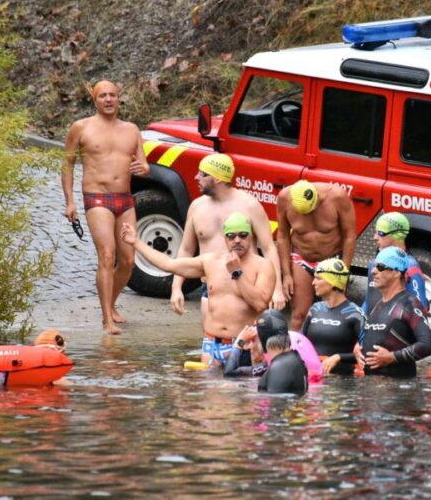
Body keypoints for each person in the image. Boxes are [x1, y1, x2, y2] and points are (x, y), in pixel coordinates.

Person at [121, 212, 275, 366]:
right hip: (212, 343)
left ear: (251, 236)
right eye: (231, 236)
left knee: (243, 389)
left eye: (242, 235)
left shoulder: (263, 266)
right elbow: (169, 264)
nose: (237, 240)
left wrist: (237, 273)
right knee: (208, 389)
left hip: (246, 344)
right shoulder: (211, 262)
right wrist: (136, 242)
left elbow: (260, 303)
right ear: (224, 238)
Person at [61, 80, 150, 335]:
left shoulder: (131, 129)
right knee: (107, 255)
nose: (108, 100)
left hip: (124, 198)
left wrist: (144, 168)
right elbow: (67, 165)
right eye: (103, 96)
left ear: (119, 98)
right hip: (97, 197)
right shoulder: (81, 128)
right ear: (95, 99)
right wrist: (70, 201)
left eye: (113, 95)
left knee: (128, 260)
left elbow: (143, 164)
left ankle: (110, 304)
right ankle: (106, 320)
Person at [170, 153, 285, 321]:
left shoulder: (249, 205)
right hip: (210, 285)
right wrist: (176, 287)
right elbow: (186, 249)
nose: (196, 177)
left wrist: (277, 289)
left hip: (246, 284)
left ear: (217, 178)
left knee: (246, 340)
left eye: (202, 174)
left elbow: (268, 248)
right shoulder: (196, 206)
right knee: (211, 338)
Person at [276, 180, 356, 330]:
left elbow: (349, 236)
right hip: (302, 257)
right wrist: (286, 274)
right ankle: (295, 352)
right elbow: (283, 236)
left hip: (331, 259)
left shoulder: (337, 197)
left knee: (332, 316)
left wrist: (343, 272)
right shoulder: (284, 198)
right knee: (299, 315)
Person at [356, 246, 431, 377]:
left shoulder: (410, 304)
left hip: (398, 391)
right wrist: (357, 350)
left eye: (380, 267)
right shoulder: (379, 305)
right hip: (372, 389)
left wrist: (392, 357)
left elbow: (427, 345)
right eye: (374, 267)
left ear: (397, 272)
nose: (374, 272)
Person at [301, 258, 365, 375]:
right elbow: (300, 342)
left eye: (318, 278)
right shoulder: (315, 309)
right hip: (314, 377)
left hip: (342, 382)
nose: (313, 282)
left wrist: (338, 357)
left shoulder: (355, 314)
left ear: (332, 283)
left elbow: (367, 352)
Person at [362, 212, 429, 315]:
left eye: (381, 233)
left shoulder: (410, 268)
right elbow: (368, 303)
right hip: (372, 328)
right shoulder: (373, 265)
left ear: (397, 235)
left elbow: (421, 311)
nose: (375, 237)